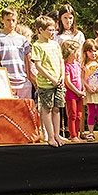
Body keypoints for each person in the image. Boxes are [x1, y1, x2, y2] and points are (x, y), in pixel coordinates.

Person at [30, 15, 68, 147]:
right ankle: (50, 137)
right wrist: (51, 79)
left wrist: (62, 76)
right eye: (50, 30)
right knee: (47, 109)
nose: (52, 33)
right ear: (40, 30)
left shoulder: (55, 44)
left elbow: (61, 61)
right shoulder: (37, 46)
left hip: (58, 82)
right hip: (46, 84)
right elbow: (38, 66)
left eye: (54, 30)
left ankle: (57, 135)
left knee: (57, 109)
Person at [0, 8, 33, 99]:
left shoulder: (22, 39)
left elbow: (27, 59)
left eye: (13, 20)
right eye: (8, 20)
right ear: (2, 20)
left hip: (22, 80)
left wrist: (28, 77)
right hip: (6, 81)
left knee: (24, 106)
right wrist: (1, 79)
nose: (11, 23)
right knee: (8, 106)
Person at [82, 41, 98, 142]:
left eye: (95, 51)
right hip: (90, 92)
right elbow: (82, 78)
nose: (93, 53)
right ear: (85, 52)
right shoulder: (84, 65)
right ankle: (91, 133)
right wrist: (88, 87)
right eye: (90, 51)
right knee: (91, 112)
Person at [63, 40, 85, 142]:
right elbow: (68, 82)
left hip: (79, 94)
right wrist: (77, 92)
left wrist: (83, 90)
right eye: (76, 52)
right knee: (72, 115)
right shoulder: (66, 66)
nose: (78, 54)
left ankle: (76, 134)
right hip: (71, 94)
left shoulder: (77, 64)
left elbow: (81, 78)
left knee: (79, 115)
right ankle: (73, 135)